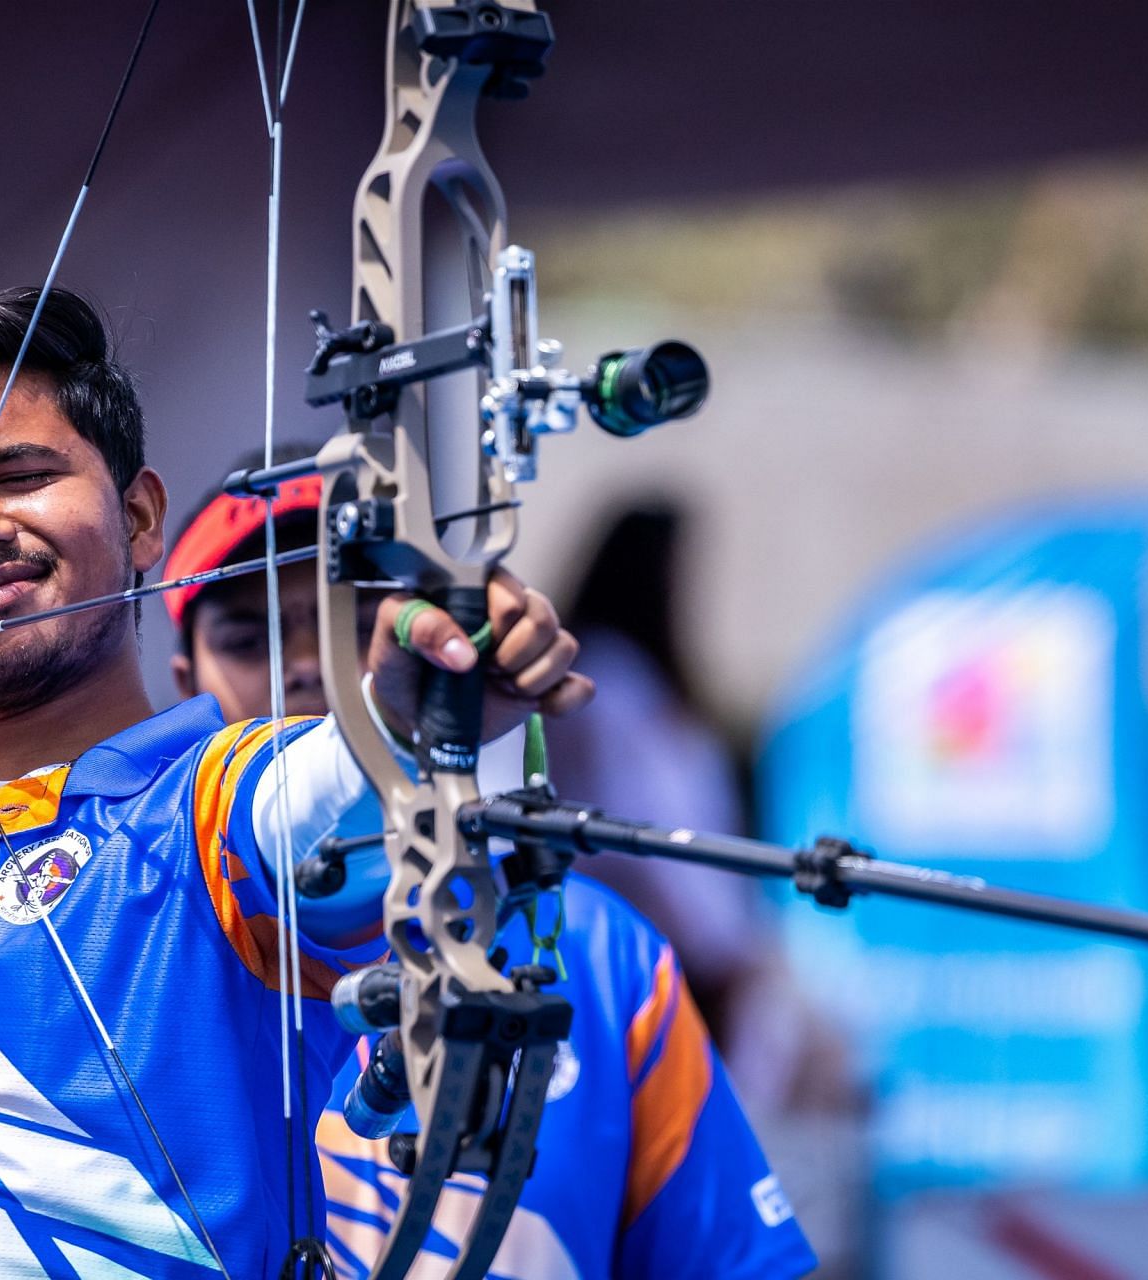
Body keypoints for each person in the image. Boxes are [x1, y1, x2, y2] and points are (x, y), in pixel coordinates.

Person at [0, 287, 590, 1280]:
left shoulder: (210, 802)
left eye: (18, 473)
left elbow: (323, 802)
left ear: (140, 518)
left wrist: (410, 706)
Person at [163, 473, 819, 1279]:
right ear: (186, 685)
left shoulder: (602, 951)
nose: (308, 665)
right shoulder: (133, 940)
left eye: (361, 622)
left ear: (435, 651)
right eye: (249, 636)